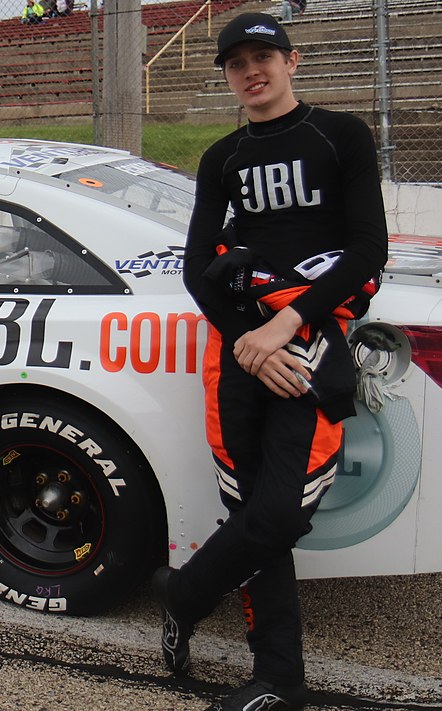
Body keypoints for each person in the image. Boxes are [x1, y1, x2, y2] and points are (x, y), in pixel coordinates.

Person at [158, 12, 386, 711]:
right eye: (236, 63)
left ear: (294, 61)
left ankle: (184, 594)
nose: (251, 71)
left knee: (279, 515)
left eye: (264, 57)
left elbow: (368, 251)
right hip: (238, 354)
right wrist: (246, 344)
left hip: (308, 343)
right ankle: (280, 679)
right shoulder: (220, 157)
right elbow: (199, 269)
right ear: (227, 75)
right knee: (248, 506)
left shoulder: (341, 134)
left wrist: (287, 324)